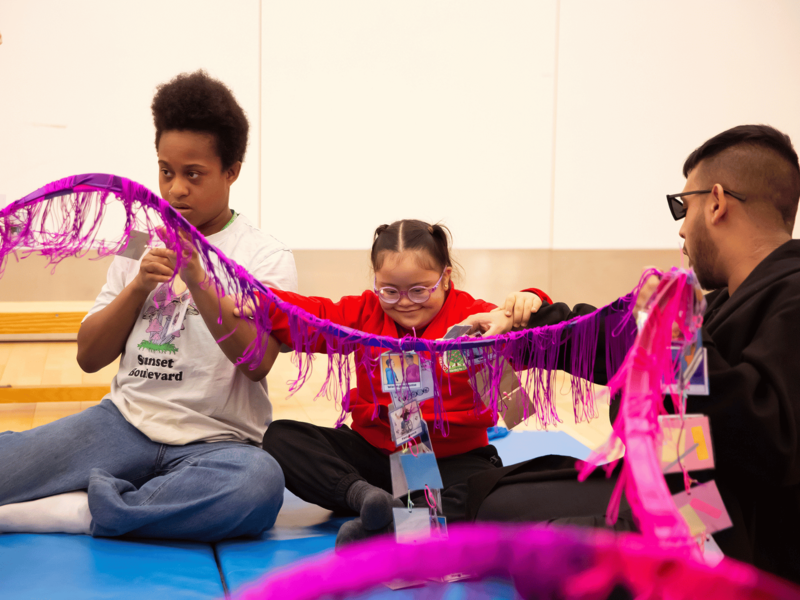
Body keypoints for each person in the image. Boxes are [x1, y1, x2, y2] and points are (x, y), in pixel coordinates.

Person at [465, 124, 800, 584]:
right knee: (494, 500)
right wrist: (524, 327)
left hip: (723, 537)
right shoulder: (725, 301)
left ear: (717, 202)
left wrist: (672, 341)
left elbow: (766, 435)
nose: (682, 227)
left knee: (537, 552)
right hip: (681, 493)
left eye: (685, 207)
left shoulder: (793, 296)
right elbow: (618, 337)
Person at [0, 70, 298, 542]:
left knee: (257, 487)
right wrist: (138, 285)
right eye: (166, 171)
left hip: (217, 443)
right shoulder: (139, 242)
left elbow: (259, 361)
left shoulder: (265, 256)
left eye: (193, 174)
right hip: (124, 424)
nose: (175, 189)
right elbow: (89, 356)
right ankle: (129, 504)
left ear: (232, 170)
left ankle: (85, 513)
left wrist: (198, 277)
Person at [242, 219, 549, 546]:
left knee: (487, 494)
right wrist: (256, 302)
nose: (404, 302)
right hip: (373, 460)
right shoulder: (365, 313)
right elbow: (313, 315)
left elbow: (532, 339)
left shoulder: (474, 319)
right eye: (390, 291)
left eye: (419, 290)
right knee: (281, 437)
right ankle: (367, 499)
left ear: (445, 279)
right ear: (376, 282)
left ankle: (393, 523)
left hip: (454, 463)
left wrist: (531, 300)